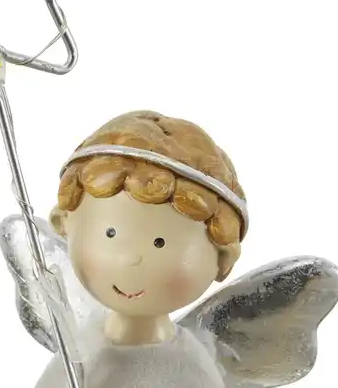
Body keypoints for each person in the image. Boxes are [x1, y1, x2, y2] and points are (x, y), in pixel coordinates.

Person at [35, 110, 247, 388]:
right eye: (110, 233)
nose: (130, 257)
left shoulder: (188, 364)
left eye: (159, 242)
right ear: (63, 223)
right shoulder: (82, 349)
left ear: (223, 258)